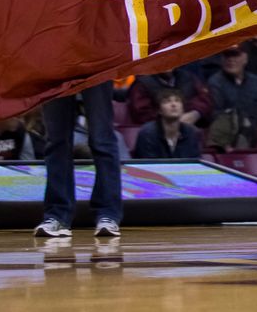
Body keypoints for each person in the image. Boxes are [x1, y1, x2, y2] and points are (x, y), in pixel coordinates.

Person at [33, 83, 123, 238]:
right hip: (56, 64)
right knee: (56, 141)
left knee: (101, 139)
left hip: (96, 62)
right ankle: (56, 215)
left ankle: (108, 214)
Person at [207, 46, 257, 150]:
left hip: (256, 137)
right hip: (226, 141)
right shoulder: (215, 83)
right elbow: (215, 115)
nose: (231, 59)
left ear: (245, 58)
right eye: (227, 55)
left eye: (235, 55)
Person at [132, 90, 202, 159]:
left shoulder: (191, 133)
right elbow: (146, 166)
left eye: (177, 101)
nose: (174, 105)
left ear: (183, 109)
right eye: (167, 101)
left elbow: (195, 162)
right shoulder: (147, 134)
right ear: (159, 110)